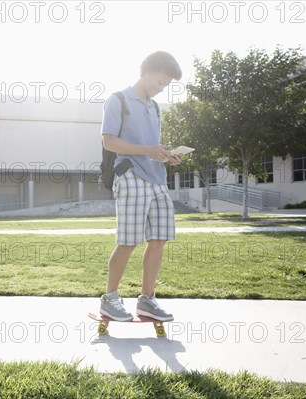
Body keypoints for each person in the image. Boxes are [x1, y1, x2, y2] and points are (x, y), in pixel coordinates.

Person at [100, 51, 183, 322]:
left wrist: (168, 155)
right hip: (131, 176)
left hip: (158, 179)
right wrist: (148, 151)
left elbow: (150, 145)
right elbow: (109, 142)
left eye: (166, 85)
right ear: (145, 73)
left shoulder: (154, 107)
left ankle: (147, 300)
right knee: (128, 241)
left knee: (158, 240)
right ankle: (110, 299)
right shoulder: (118, 100)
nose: (162, 89)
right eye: (160, 82)